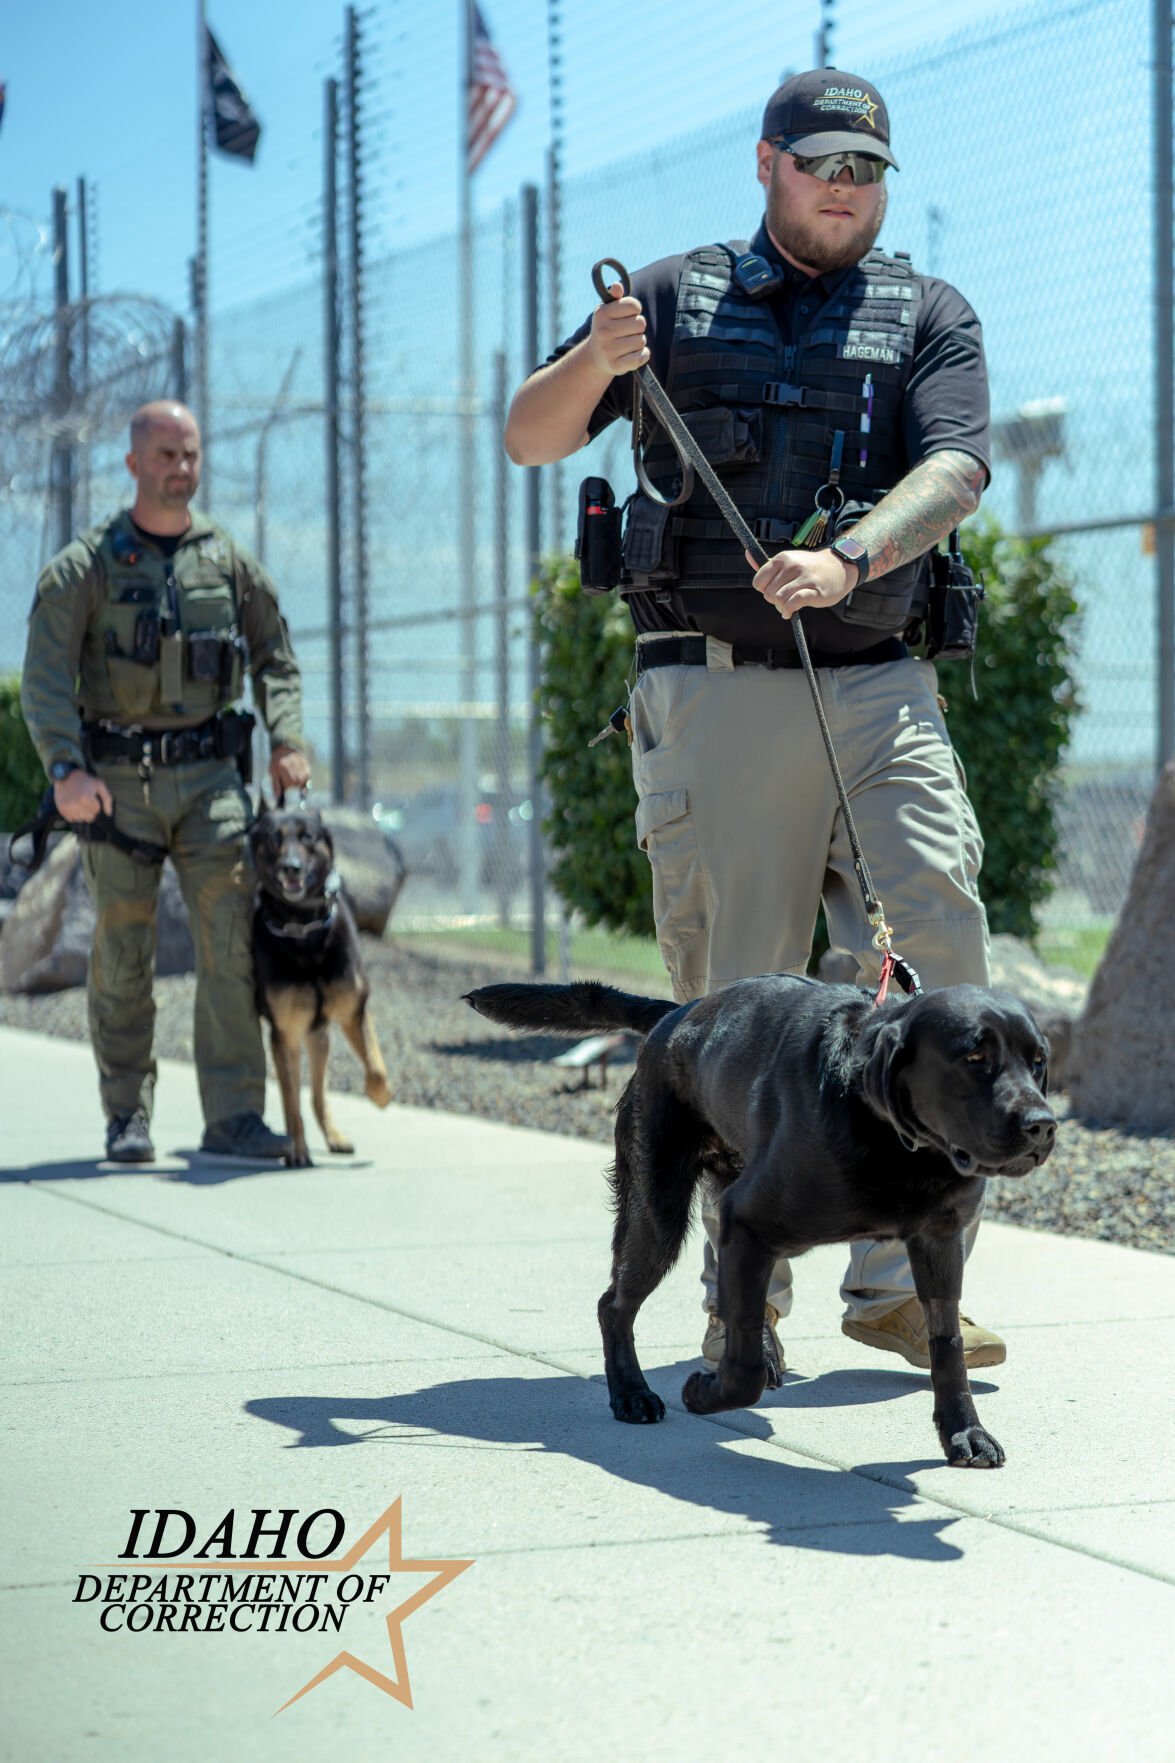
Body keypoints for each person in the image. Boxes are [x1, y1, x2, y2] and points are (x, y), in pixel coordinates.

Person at [505, 69, 1006, 1373]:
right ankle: (748, 1301)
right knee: (736, 997)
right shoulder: (666, 299)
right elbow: (527, 436)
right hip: (717, 682)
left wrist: (851, 558)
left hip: (878, 678)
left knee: (939, 938)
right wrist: (593, 359)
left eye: (865, 168)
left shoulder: (928, 313)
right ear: (766, 161)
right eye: (821, 161)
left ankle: (898, 1278)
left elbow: (954, 468)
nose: (844, 185)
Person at [21, 400, 311, 1164]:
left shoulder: (227, 559)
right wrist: (64, 769)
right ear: (132, 464)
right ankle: (127, 1114)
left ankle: (234, 1116)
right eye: (165, 455)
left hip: (212, 781)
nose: (181, 469)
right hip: (117, 790)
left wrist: (287, 737)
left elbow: (275, 655)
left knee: (230, 942)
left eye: (190, 455)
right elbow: (44, 679)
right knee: (122, 949)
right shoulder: (85, 567)